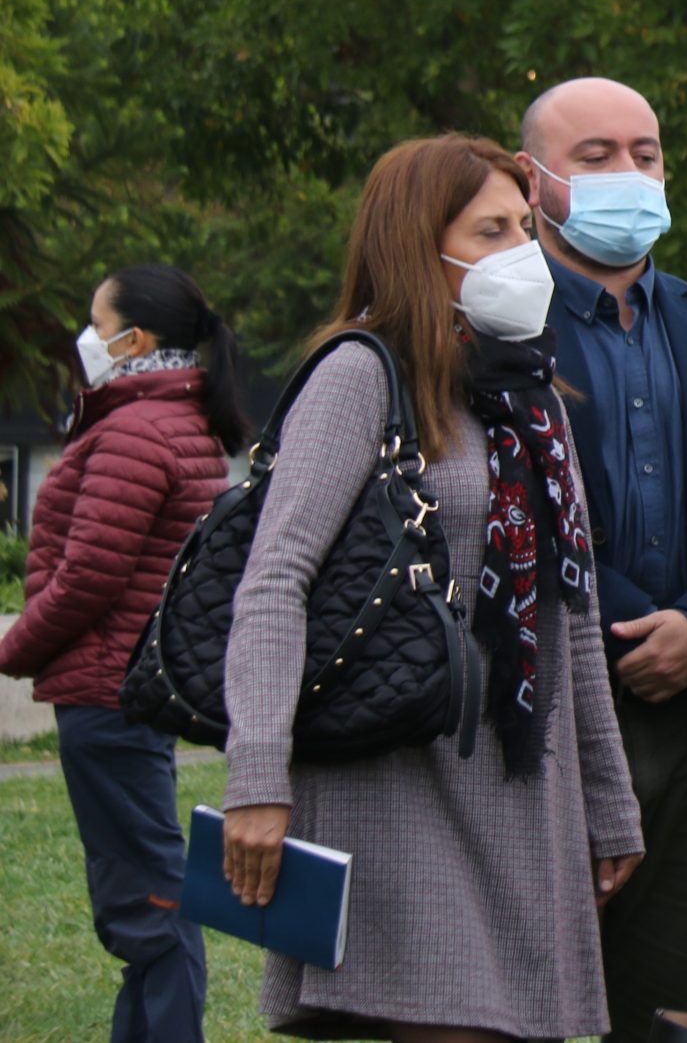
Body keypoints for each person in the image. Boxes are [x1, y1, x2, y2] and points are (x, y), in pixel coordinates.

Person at [219, 135, 643, 1041]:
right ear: (420, 244)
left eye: (526, 228)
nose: (522, 254)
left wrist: (608, 803)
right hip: (396, 787)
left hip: (521, 791)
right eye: (491, 231)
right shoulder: (358, 375)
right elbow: (274, 578)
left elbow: (572, 618)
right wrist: (256, 775)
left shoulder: (535, 398)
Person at [517, 76, 687, 1039]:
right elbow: (512, 513)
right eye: (595, 157)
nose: (629, 173)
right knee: (520, 1000)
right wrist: (633, 620)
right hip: (548, 717)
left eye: (645, 153)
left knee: (682, 1013)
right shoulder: (493, 327)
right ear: (532, 177)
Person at [0, 264, 246, 1043]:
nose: (85, 335)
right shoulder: (165, 417)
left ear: (132, 339)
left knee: (150, 902)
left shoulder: (137, 429)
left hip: (109, 689)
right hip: (127, 685)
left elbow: (89, 575)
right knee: (141, 896)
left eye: (93, 318)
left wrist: (11, 647)